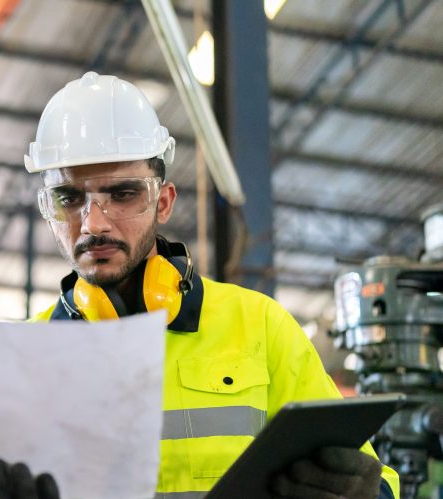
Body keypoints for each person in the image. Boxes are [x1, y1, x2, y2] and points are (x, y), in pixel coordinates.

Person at [25, 72, 400, 499]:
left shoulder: (260, 325)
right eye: (69, 199)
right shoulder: (22, 356)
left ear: (163, 202)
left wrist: (368, 496)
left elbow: (373, 476)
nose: (93, 223)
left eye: (124, 193)